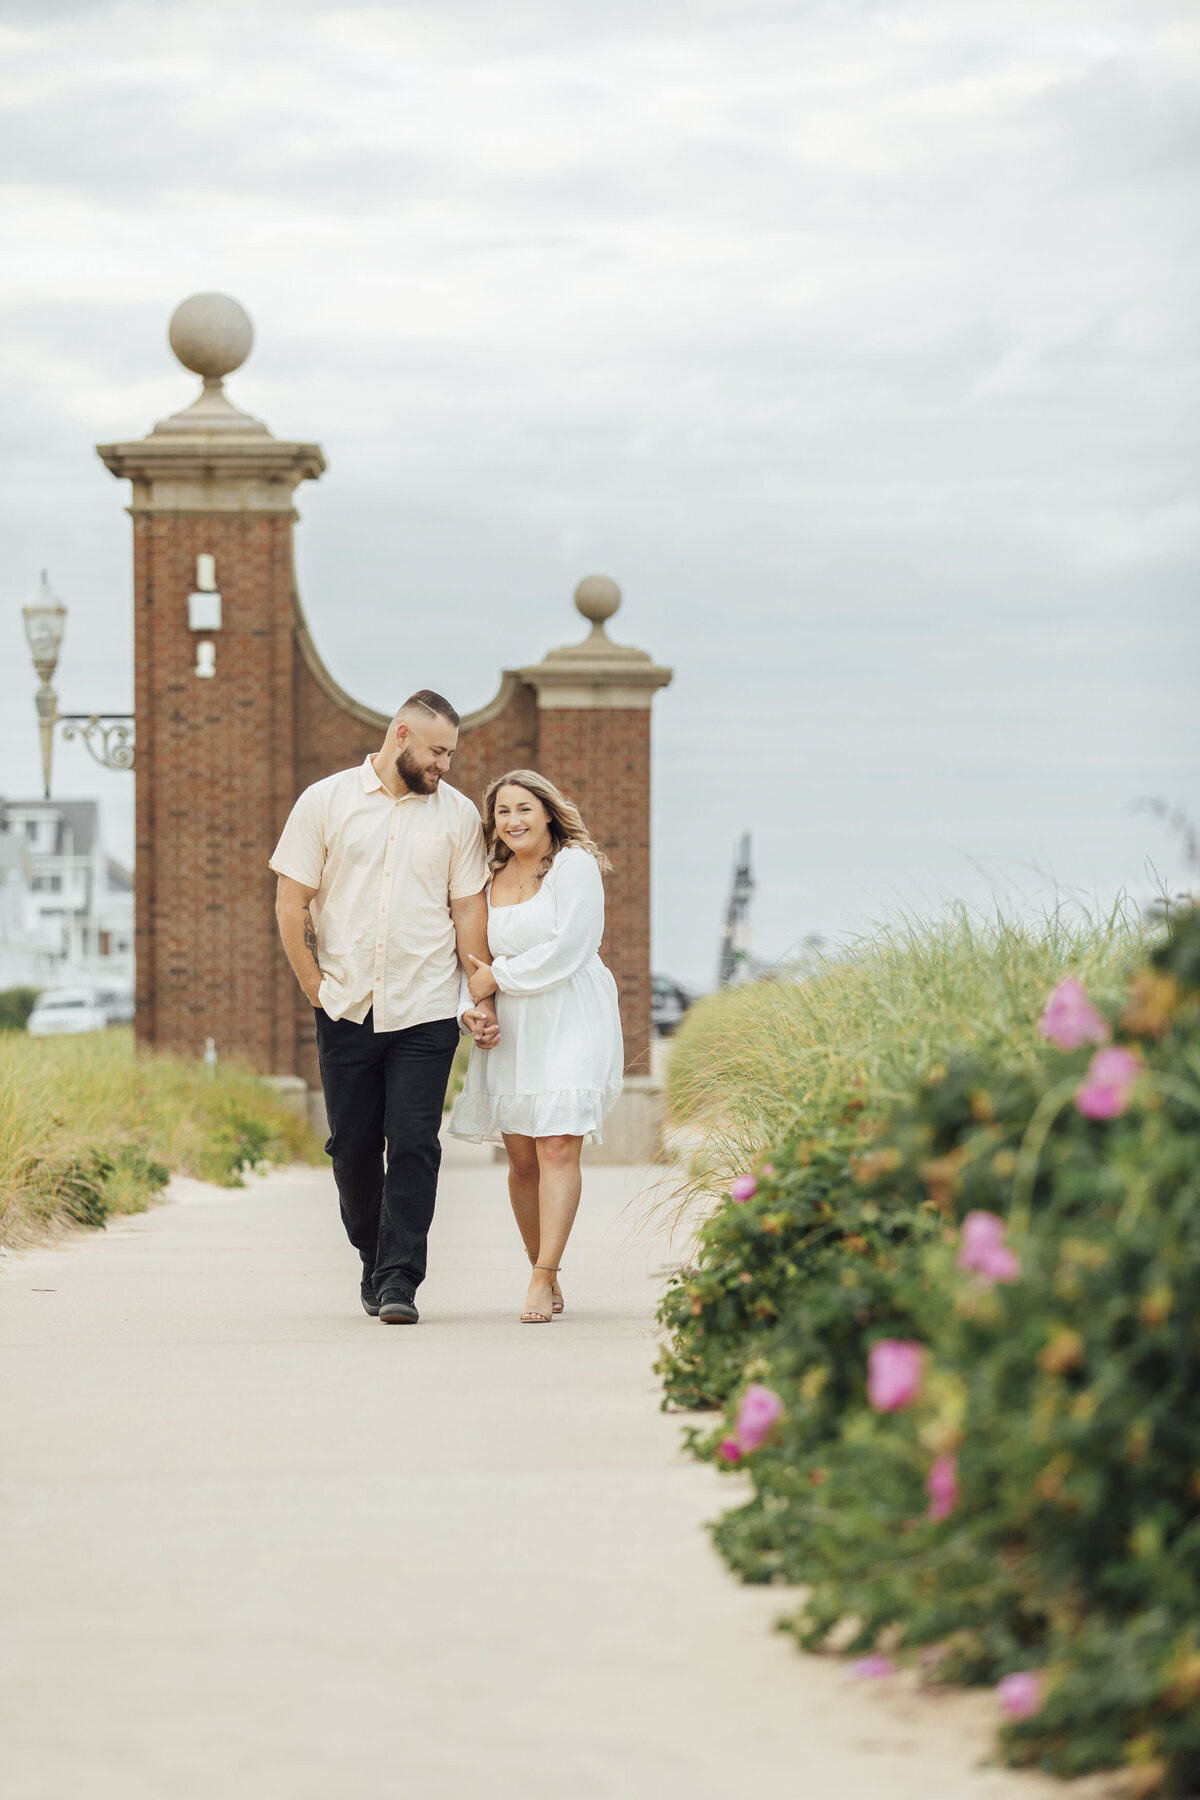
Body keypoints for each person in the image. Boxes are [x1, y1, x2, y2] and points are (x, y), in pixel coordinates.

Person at [270, 691, 498, 1325]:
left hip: (424, 1006)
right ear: (401, 736)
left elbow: (467, 912)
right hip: (344, 1005)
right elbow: (292, 904)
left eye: (451, 753)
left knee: (417, 1144)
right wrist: (315, 987)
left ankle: (400, 1279)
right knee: (352, 1147)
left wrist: (478, 994)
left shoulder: (454, 817)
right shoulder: (324, 801)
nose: (444, 765)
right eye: (435, 751)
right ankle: (373, 1254)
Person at [448, 770, 624, 1323]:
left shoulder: (574, 865)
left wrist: (496, 980)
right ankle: (538, 1264)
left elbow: (572, 946)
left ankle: (543, 1275)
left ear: (547, 812)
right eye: (502, 812)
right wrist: (474, 1010)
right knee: (522, 1158)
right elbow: (470, 960)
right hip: (515, 1027)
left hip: (570, 1014)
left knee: (556, 1147)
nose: (513, 821)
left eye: (524, 808)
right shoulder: (487, 875)